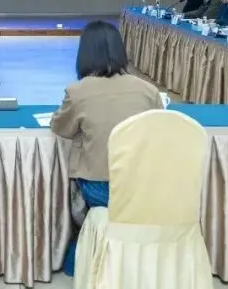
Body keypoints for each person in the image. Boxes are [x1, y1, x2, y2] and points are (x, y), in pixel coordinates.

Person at [50, 21, 164, 276]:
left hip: (99, 187)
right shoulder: (148, 90)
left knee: (81, 210)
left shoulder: (78, 91)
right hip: (142, 185)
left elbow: (60, 128)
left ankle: (79, 264)